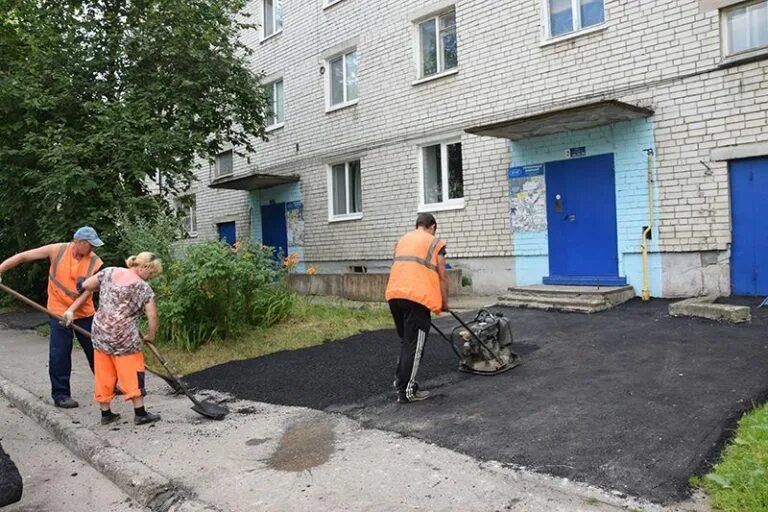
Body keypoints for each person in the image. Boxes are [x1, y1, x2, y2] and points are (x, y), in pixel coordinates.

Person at [0, 227, 104, 408]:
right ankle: (61, 395)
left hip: (83, 312)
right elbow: (23, 257)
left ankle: (108, 384)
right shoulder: (57, 250)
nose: (93, 249)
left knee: (98, 350)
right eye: (90, 245)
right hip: (57, 311)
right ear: (79, 243)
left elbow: (87, 292)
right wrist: (1, 269)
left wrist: (72, 310)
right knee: (60, 353)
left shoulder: (95, 261)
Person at [64, 252, 162, 425]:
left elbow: (86, 285)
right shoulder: (143, 287)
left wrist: (87, 284)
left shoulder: (109, 272)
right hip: (124, 338)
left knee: (104, 373)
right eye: (151, 273)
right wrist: (151, 336)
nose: (150, 277)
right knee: (132, 371)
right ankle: (140, 413)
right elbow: (152, 316)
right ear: (144, 266)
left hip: (101, 333)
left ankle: (106, 414)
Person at [385, 213, 449, 404]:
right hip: (417, 298)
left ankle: (400, 381)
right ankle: (407, 391)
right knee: (415, 345)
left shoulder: (402, 240)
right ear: (433, 227)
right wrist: (444, 302)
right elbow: (442, 275)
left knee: (407, 341)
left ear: (417, 225)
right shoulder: (434, 242)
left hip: (394, 294)